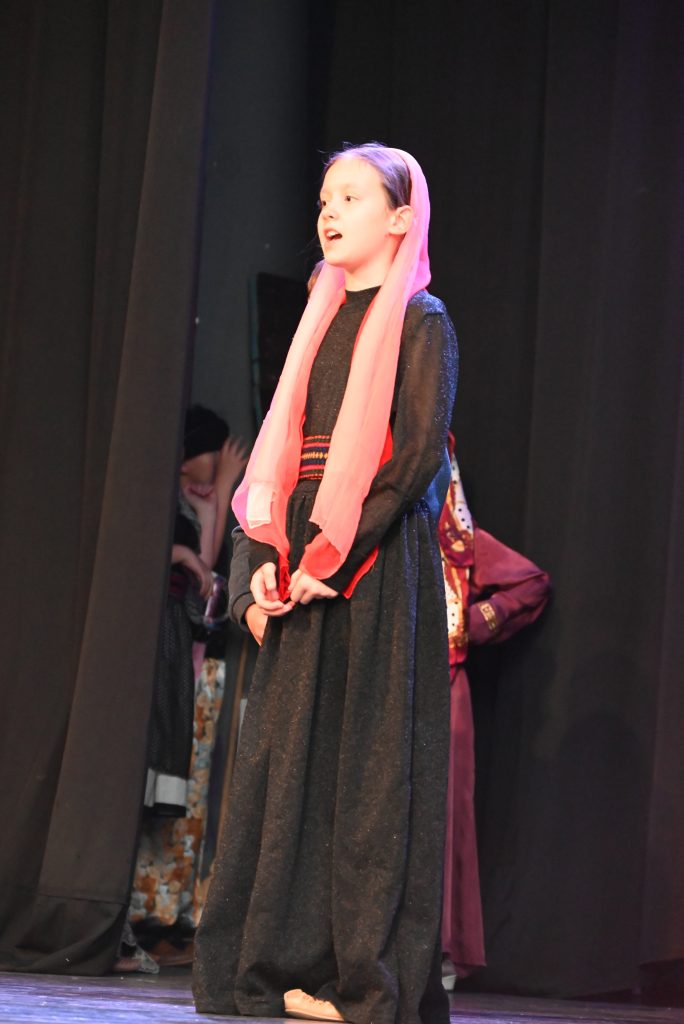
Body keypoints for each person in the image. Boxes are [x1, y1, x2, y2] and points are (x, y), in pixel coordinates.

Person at [193, 143, 459, 1024]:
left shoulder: (421, 321)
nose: (329, 212)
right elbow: (276, 456)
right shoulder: (317, 314)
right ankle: (274, 966)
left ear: (400, 218)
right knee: (282, 768)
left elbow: (415, 460)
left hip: (372, 561)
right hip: (300, 551)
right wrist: (260, 570)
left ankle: (363, 982)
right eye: (323, 199)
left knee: (369, 774)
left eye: (350, 197)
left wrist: (335, 558)